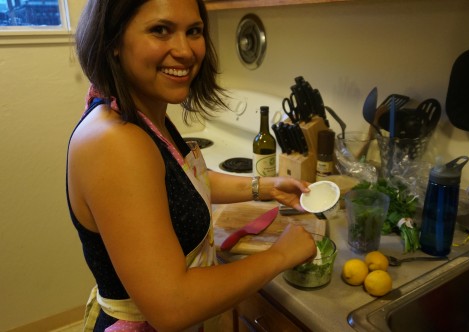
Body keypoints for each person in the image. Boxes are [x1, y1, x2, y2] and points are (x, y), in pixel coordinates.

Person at [66, 0, 317, 331]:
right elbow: (173, 306)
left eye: (194, 31)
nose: (185, 51)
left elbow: (182, 181)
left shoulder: (139, 114)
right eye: (160, 30)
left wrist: (264, 187)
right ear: (113, 42)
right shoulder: (115, 142)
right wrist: (280, 255)